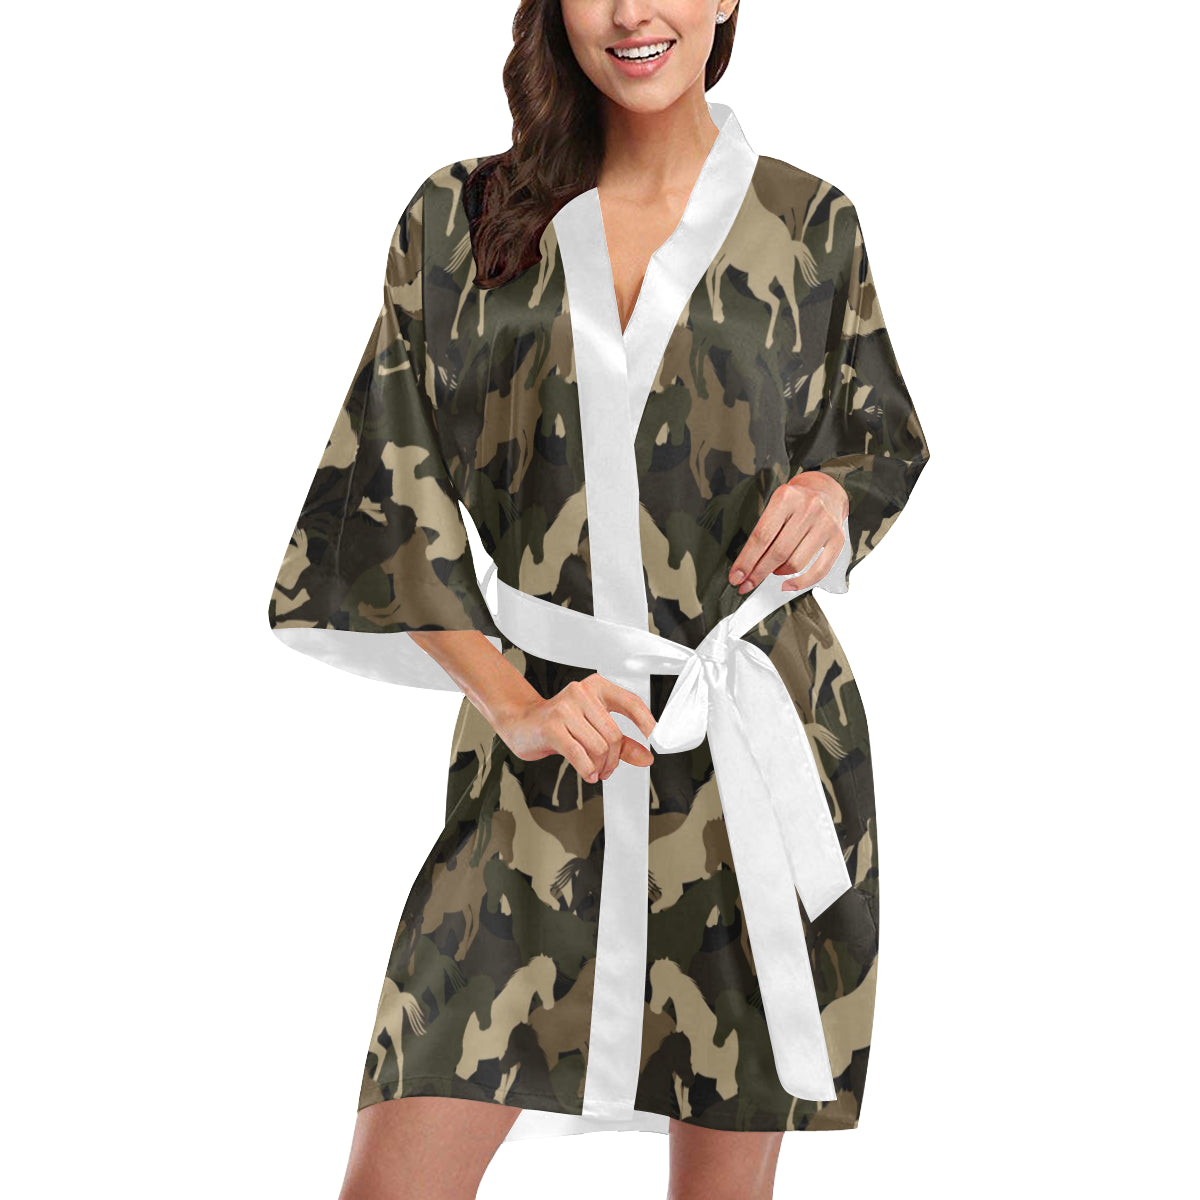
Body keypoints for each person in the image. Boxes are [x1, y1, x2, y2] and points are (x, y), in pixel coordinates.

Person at [266, 1, 932, 1196]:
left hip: (753, 764)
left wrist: (834, 493)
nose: (631, 12)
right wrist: (516, 704)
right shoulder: (460, 220)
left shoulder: (809, 225)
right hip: (536, 773)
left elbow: (878, 439)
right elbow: (391, 495)